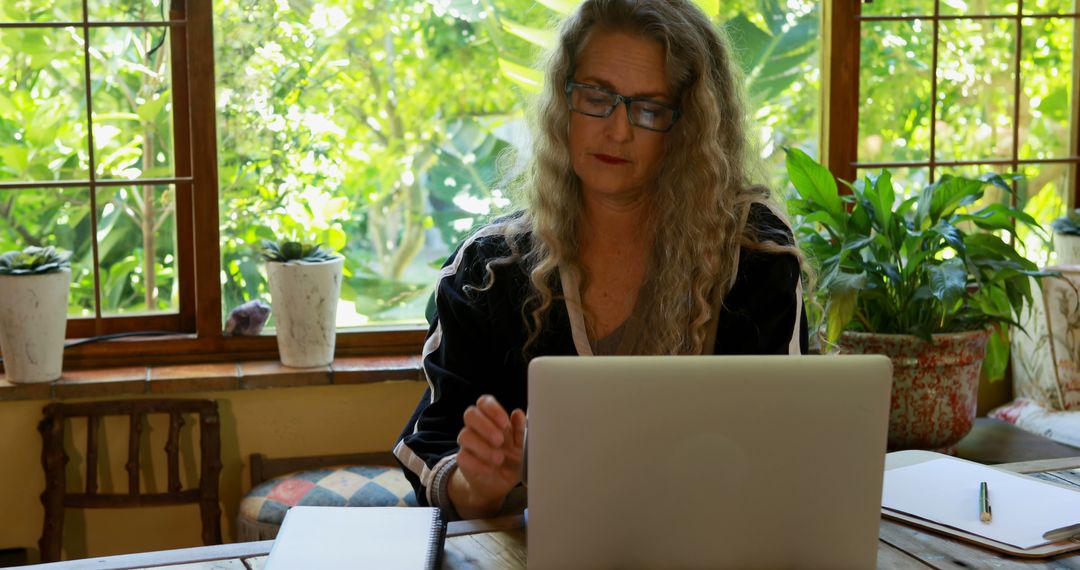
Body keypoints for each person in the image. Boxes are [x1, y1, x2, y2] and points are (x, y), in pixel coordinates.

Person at [394, 0, 809, 520]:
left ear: (690, 127)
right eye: (597, 96)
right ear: (563, 103)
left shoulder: (751, 248)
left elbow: (780, 439)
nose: (617, 130)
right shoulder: (489, 269)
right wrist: (478, 485)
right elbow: (434, 440)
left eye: (649, 108)